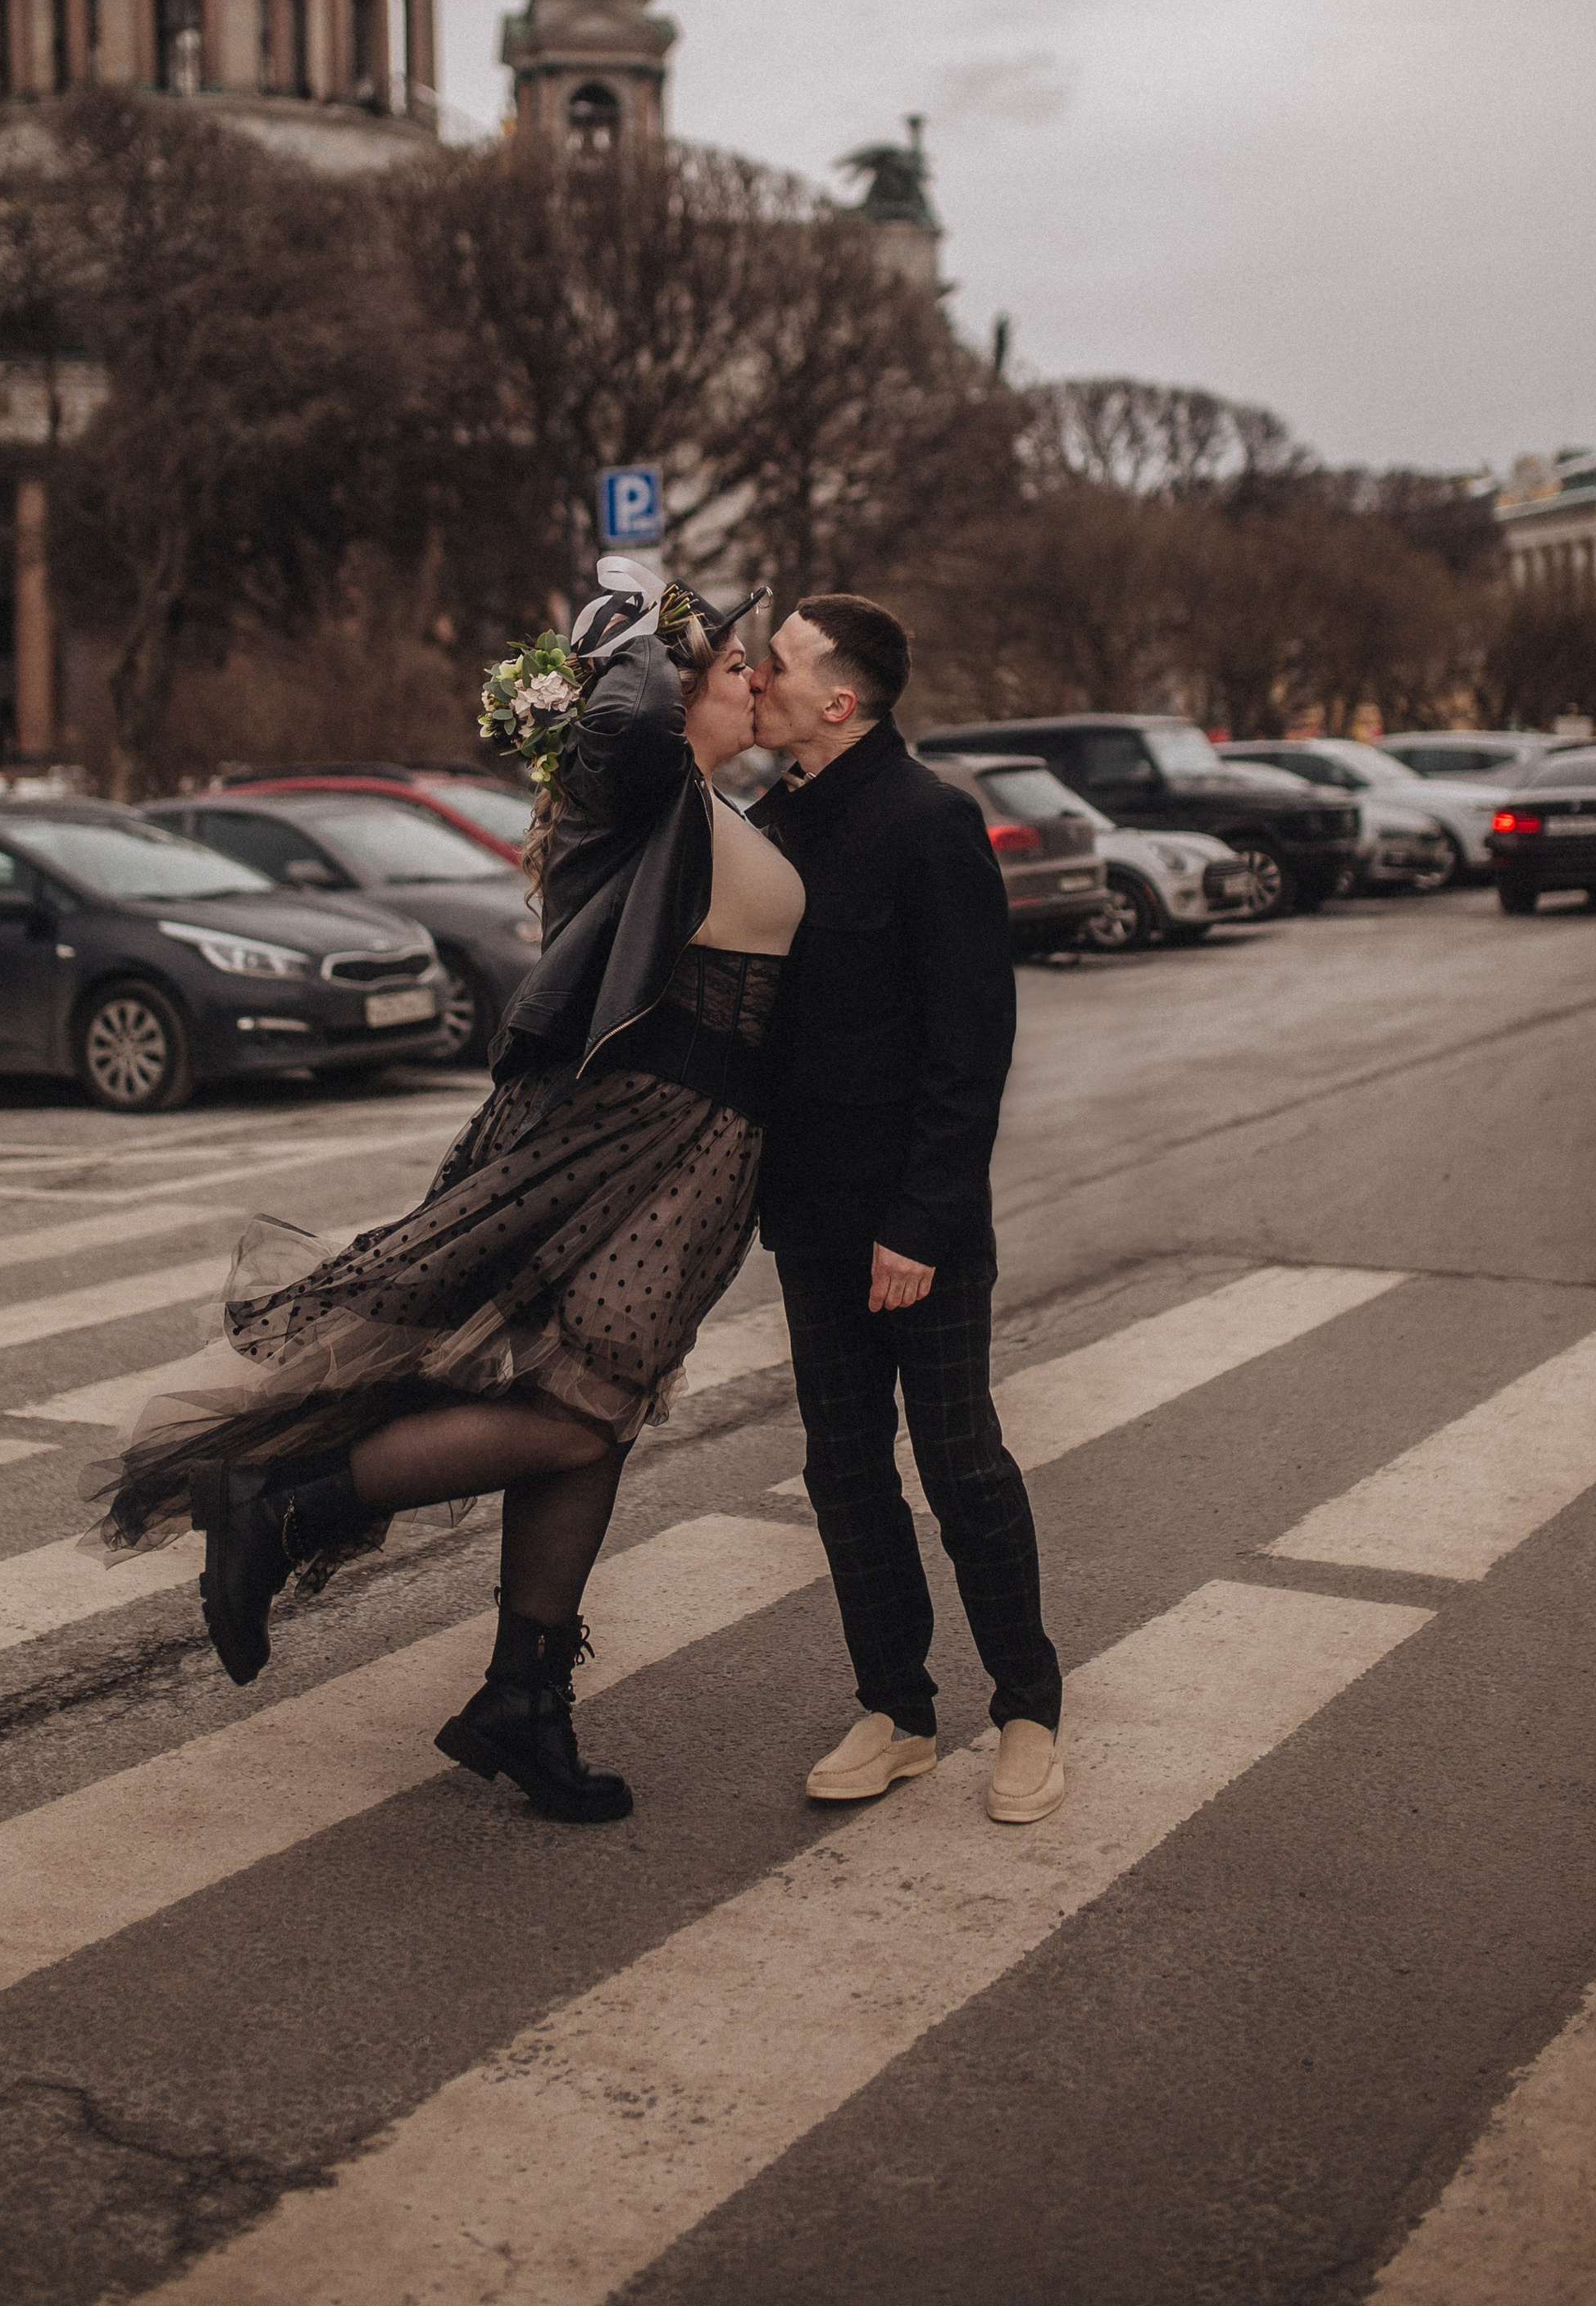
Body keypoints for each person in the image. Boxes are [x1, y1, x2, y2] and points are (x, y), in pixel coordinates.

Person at [93, 563, 798, 1827]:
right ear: (676, 687)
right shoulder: (637, 784)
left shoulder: (703, 800)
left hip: (692, 1149)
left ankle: (524, 1694)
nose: (754, 677)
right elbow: (625, 710)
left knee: (591, 1412)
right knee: (580, 1411)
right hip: (631, 1138)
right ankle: (285, 1503)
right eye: (733, 663)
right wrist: (650, 619)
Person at [746, 592, 1064, 1825]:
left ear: (840, 699)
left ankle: (1027, 1710)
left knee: (960, 1464)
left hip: (917, 1227)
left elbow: (970, 1047)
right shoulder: (770, 826)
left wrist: (921, 1227)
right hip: (811, 1219)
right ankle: (898, 1711)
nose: (757, 677)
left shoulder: (930, 823)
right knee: (842, 1471)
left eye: (778, 664)